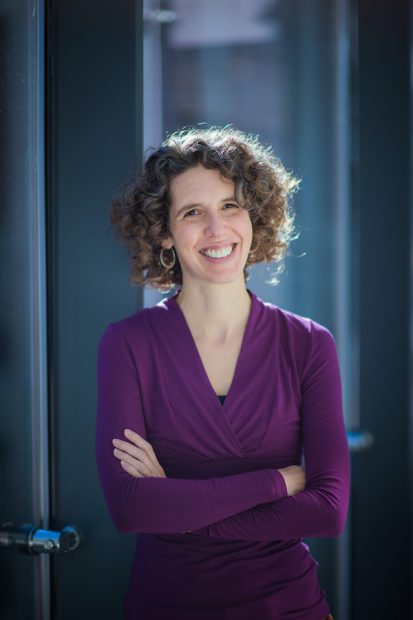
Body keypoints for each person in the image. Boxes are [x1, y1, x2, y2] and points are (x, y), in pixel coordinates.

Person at [95, 126, 350, 620]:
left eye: (231, 206)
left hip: (288, 606)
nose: (217, 229)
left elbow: (329, 511)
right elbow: (129, 509)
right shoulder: (128, 343)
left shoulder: (309, 344)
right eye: (193, 212)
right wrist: (278, 481)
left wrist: (180, 510)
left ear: (254, 216)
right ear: (164, 231)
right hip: (165, 606)